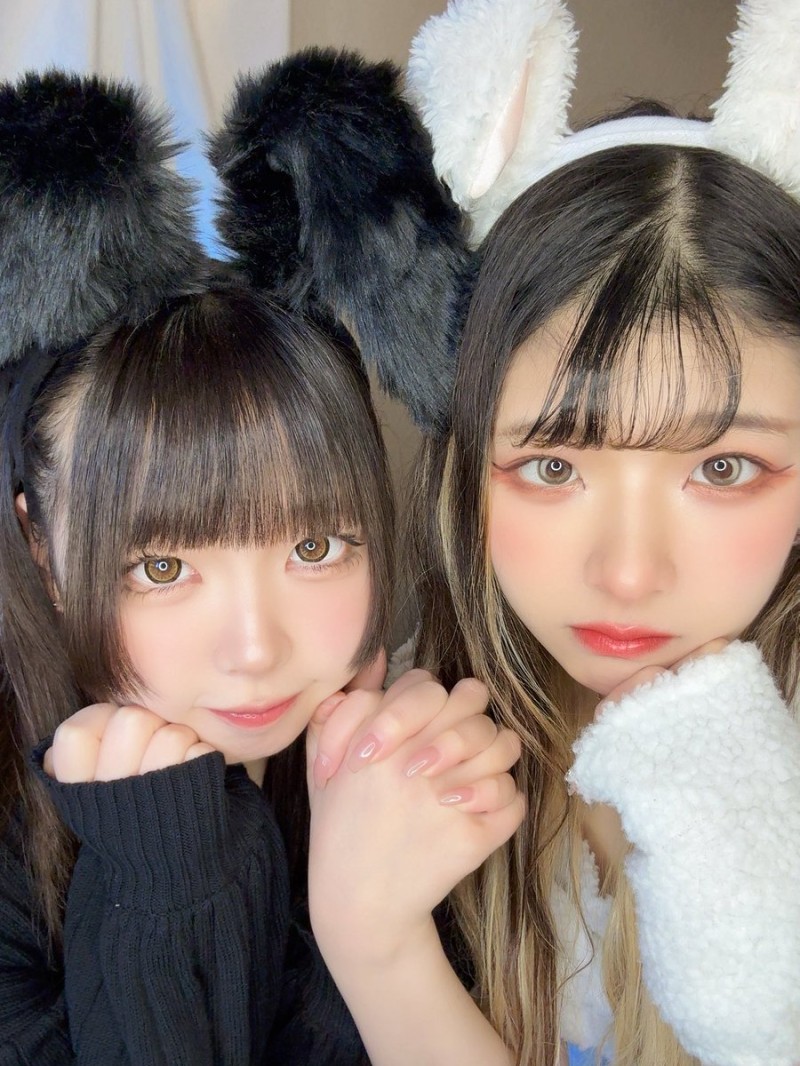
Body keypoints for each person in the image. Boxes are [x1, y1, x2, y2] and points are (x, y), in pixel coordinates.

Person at [0, 67, 523, 1064]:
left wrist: (375, 935)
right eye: (161, 567)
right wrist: (163, 881)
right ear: (42, 550)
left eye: (314, 548)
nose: (254, 649)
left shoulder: (406, 773)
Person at [394, 1, 800, 1064]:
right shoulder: (391, 747)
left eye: (722, 468)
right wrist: (375, 936)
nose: (627, 573)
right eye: (553, 466)